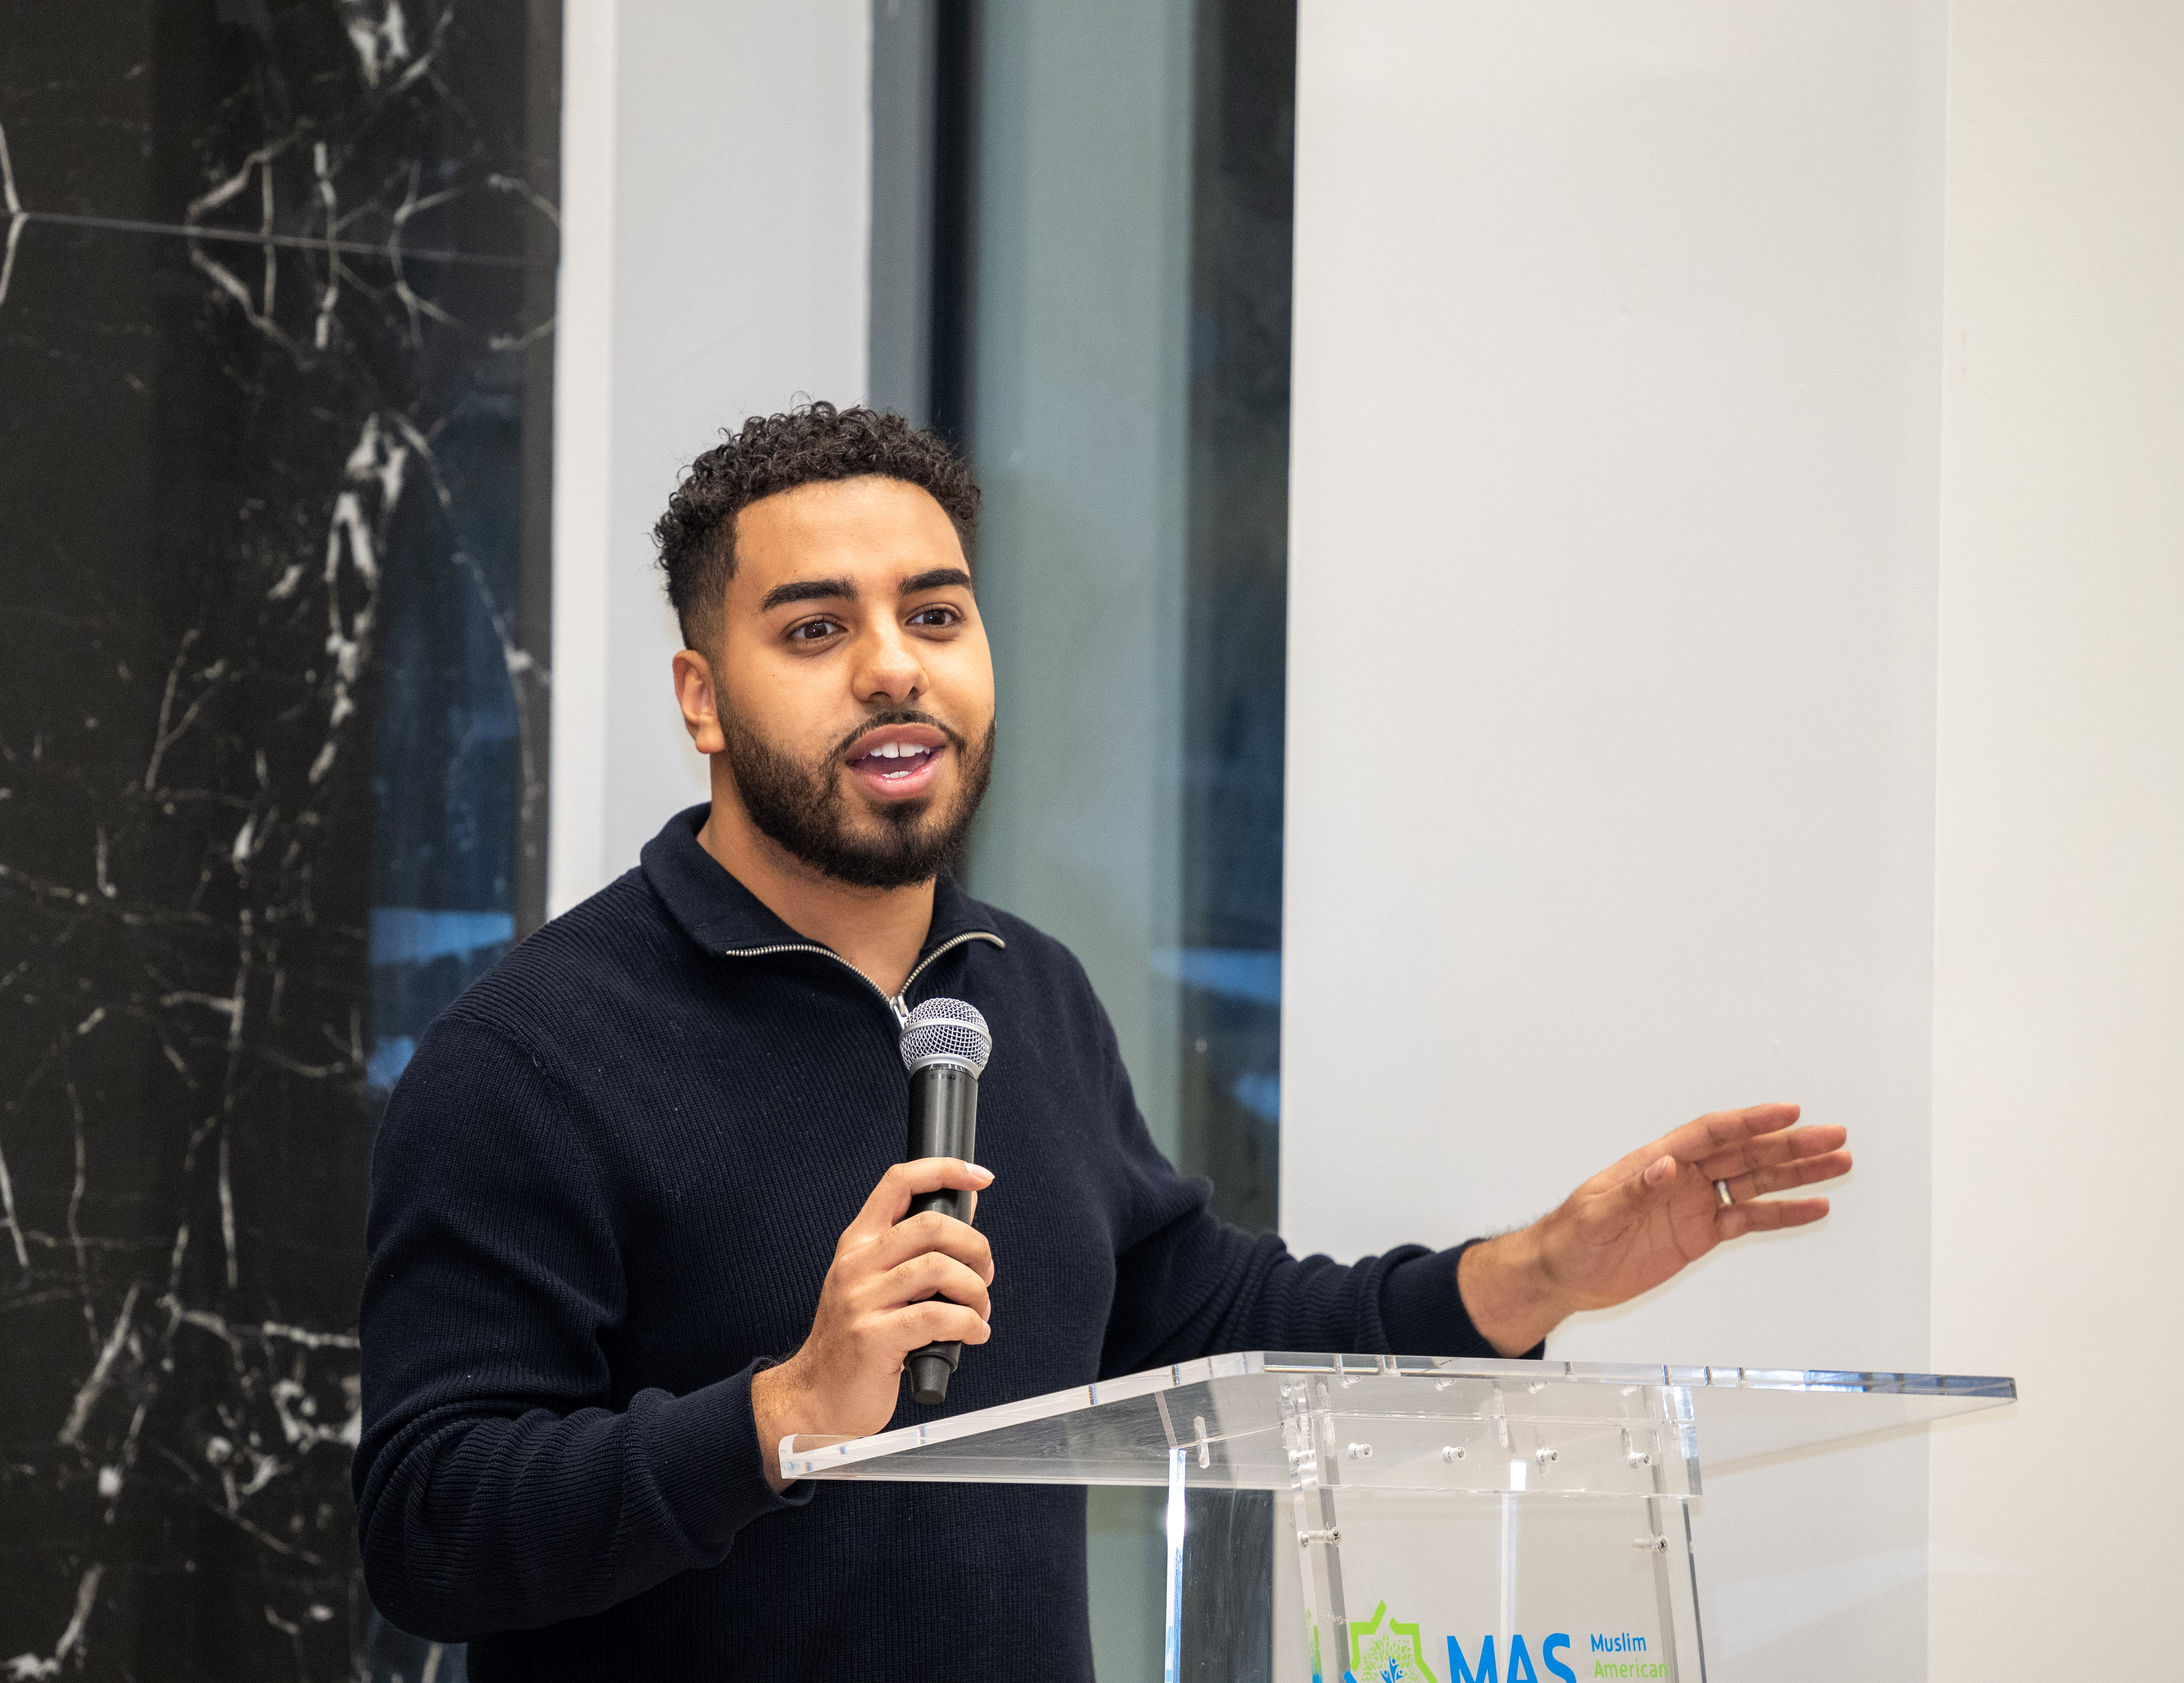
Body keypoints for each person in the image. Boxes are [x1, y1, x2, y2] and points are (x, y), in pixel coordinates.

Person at [352, 403, 1851, 1681]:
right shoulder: (534, 1057)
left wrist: (1535, 1275)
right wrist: (784, 1414)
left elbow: (1208, 1319)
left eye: (935, 614)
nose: (894, 667)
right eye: (817, 629)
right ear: (703, 699)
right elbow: (431, 1525)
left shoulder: (1030, 997)